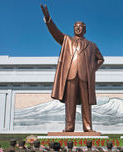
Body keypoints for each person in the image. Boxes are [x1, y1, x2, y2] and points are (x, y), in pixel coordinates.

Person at [41, 4, 104, 132]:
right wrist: (48, 19)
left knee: (86, 104)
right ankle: (69, 127)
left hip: (85, 76)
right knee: (70, 103)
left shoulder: (92, 45)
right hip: (70, 75)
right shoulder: (67, 40)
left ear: (85, 30)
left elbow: (101, 59)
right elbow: (55, 32)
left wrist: (92, 69)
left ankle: (88, 127)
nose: (78, 29)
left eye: (81, 27)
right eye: (76, 27)